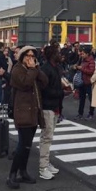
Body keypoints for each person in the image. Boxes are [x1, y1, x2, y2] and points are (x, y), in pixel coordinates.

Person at [6, 45, 48, 189]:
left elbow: (44, 82)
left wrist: (36, 69)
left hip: (33, 110)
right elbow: (25, 83)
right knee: (22, 144)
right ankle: (12, 174)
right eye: (28, 55)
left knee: (27, 145)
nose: (30, 58)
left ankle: (23, 171)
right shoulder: (17, 69)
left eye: (32, 56)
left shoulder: (33, 69)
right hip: (22, 110)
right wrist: (32, 70)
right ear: (22, 56)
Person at [38, 44, 64, 180]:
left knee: (49, 136)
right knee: (47, 137)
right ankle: (43, 166)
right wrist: (61, 92)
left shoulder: (56, 67)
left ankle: (46, 162)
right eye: (58, 53)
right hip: (48, 106)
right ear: (52, 55)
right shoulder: (46, 69)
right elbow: (44, 90)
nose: (61, 55)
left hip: (55, 106)